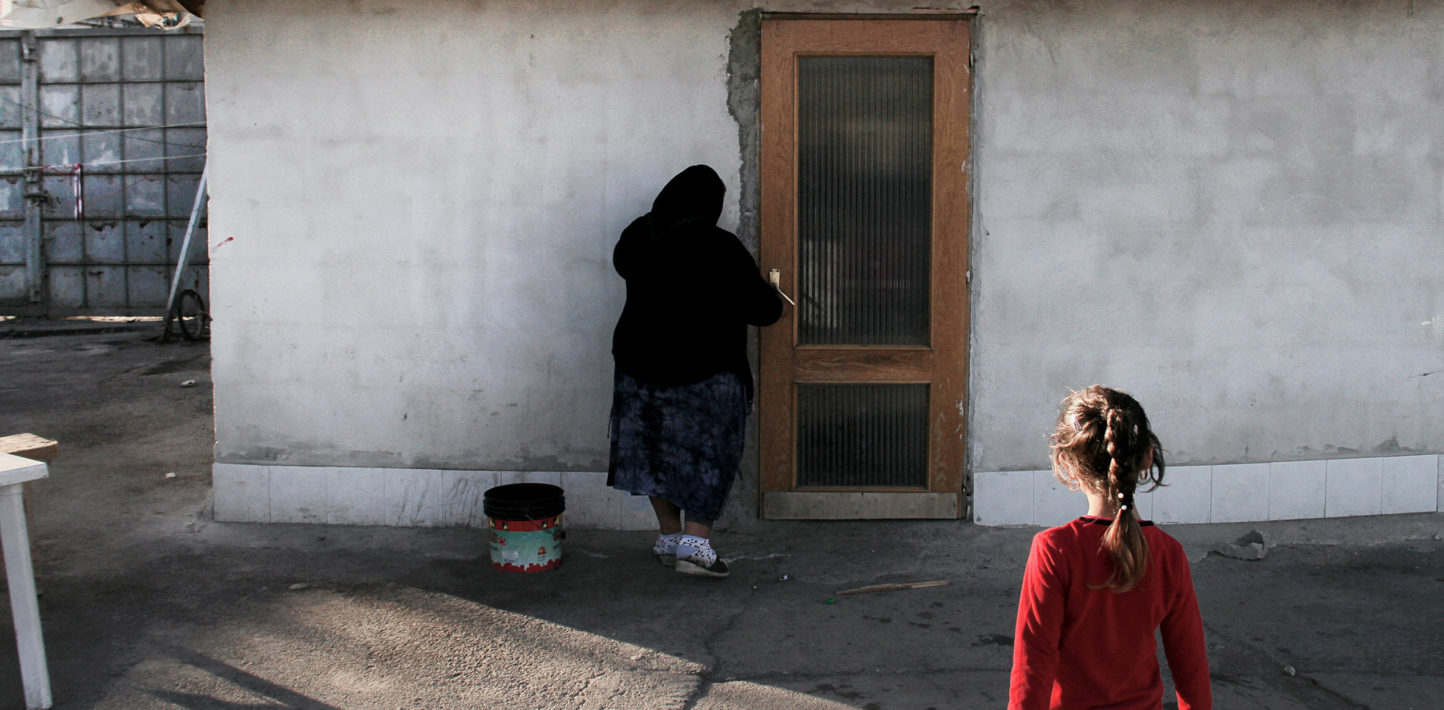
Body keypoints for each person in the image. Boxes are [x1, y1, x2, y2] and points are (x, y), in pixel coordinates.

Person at [607, 165, 786, 579]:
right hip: (707, 373)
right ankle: (695, 545)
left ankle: (669, 537)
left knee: (652, 453)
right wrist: (776, 295)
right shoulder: (720, 246)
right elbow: (763, 310)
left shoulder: (639, 237)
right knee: (709, 454)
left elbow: (623, 264)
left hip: (639, 368)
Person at [1009, 386, 1212, 710]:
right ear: (1147, 456)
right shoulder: (1169, 553)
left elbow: (1032, 666)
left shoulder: (1055, 550)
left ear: (1067, 462)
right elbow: (1191, 668)